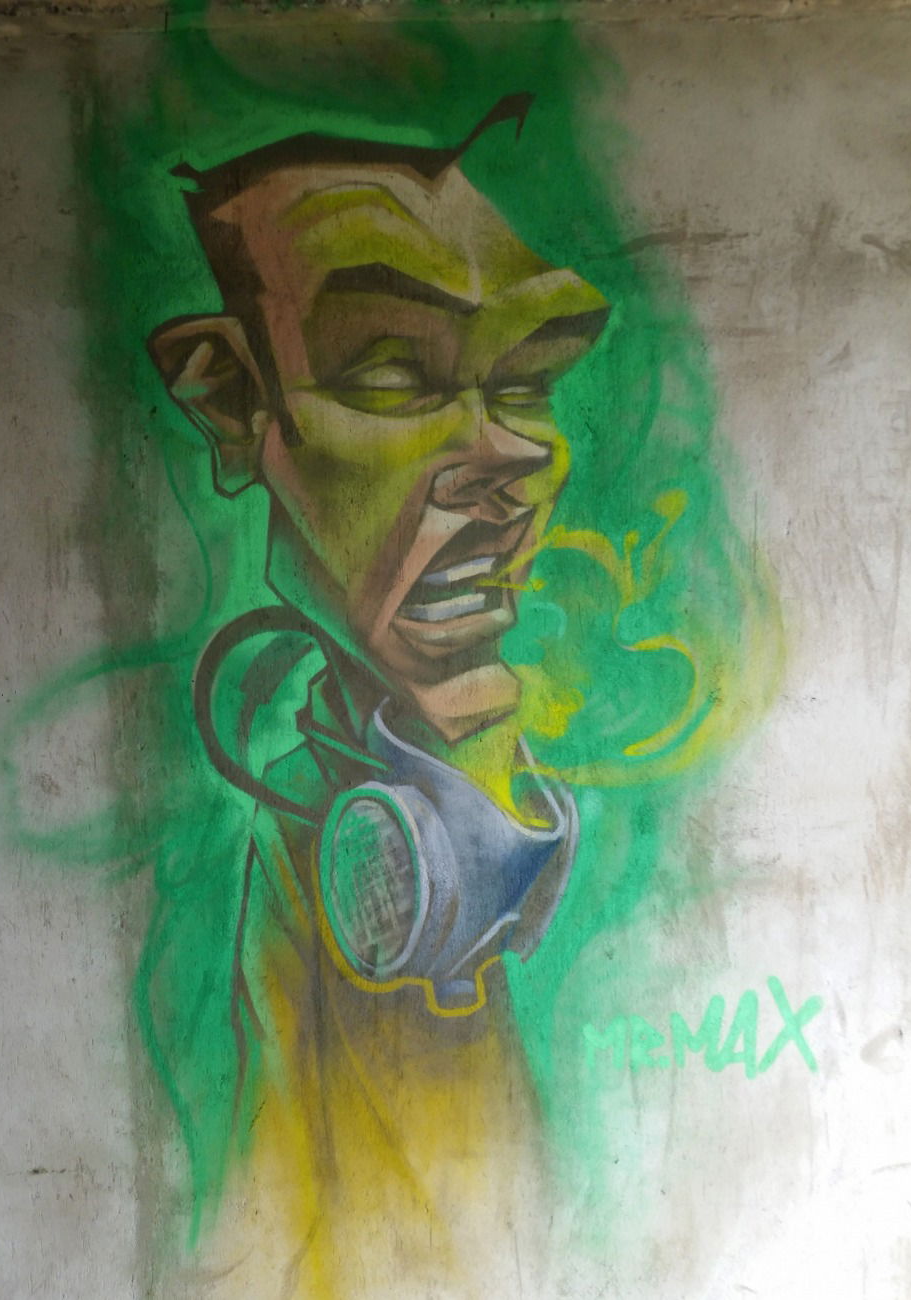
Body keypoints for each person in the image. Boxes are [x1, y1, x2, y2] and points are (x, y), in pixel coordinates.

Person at [148, 95, 608, 1298]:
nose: (510, 456)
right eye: (393, 373)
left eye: (525, 383)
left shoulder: (405, 784)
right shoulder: (290, 851)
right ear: (235, 405)